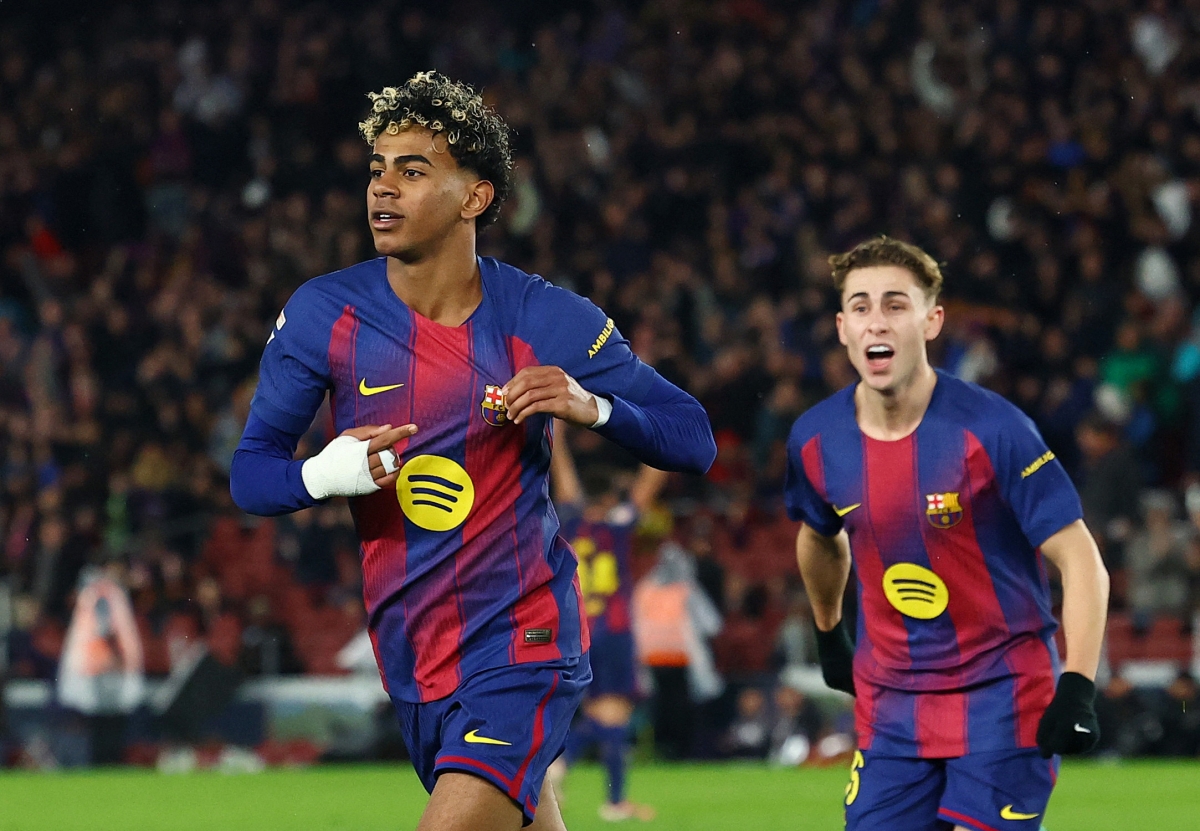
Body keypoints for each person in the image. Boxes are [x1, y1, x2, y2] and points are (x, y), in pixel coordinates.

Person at [228, 71, 715, 831]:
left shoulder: (545, 318)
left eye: (413, 170)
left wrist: (590, 406)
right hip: (414, 651)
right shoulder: (325, 313)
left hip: (524, 639)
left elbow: (692, 436)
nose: (383, 187)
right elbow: (251, 472)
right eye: (377, 168)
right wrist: (324, 474)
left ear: (474, 197)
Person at [784, 236, 1110, 831]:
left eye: (895, 305)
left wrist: (1078, 684)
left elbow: (1079, 555)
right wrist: (830, 633)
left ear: (931, 322)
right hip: (891, 704)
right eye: (860, 306)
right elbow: (819, 535)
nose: (876, 321)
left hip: (1002, 694)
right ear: (841, 327)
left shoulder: (995, 429)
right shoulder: (815, 438)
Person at [547, 423, 664, 821]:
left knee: (600, 711)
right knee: (614, 714)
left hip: (577, 629)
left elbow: (563, 475)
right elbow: (652, 480)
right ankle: (595, 789)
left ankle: (597, 789)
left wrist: (557, 435)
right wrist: (664, 432)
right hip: (613, 630)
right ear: (612, 496)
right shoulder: (619, 525)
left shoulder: (570, 520)